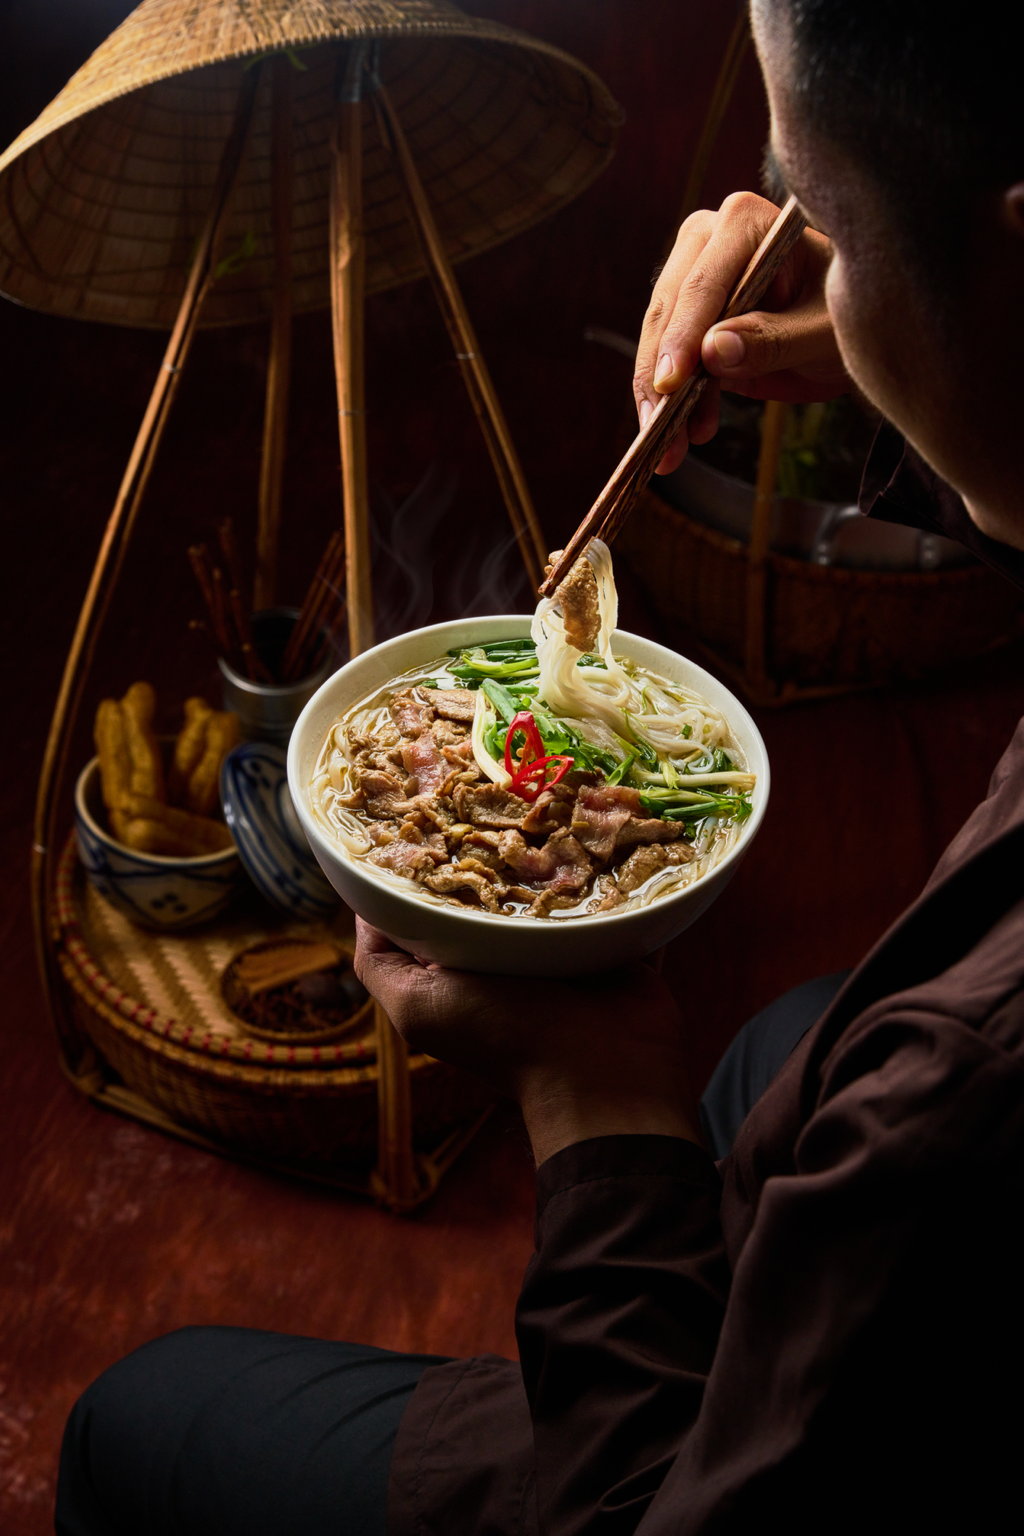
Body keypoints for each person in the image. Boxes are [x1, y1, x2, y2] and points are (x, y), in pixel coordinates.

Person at [56, 1, 1024, 1531]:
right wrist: (925, 318)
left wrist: (591, 1086)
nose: (794, 240)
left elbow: (654, 1509)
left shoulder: (964, 1084)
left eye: (823, 204)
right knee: (780, 1037)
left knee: (132, 1418)